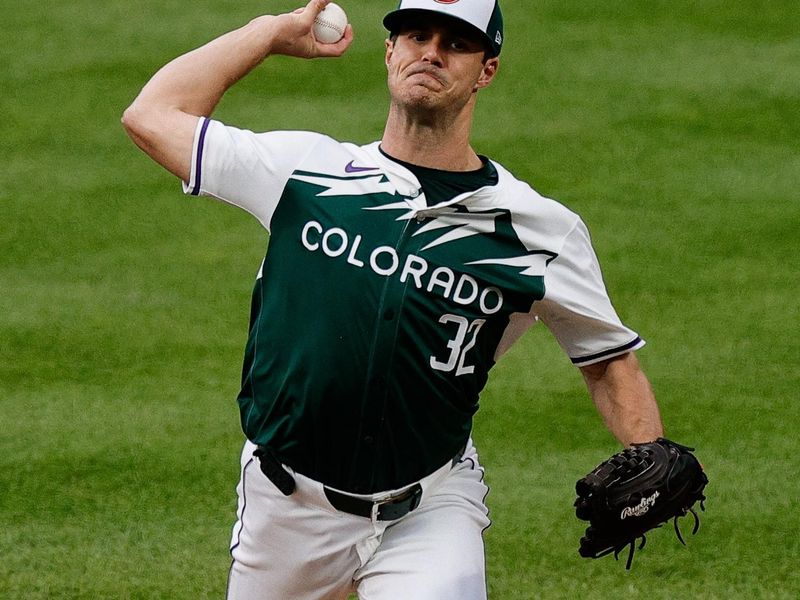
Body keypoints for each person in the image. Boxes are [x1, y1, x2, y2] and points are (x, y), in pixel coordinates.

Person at [122, 1, 664, 598]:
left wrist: (651, 453)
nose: (430, 52)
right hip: (284, 510)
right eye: (415, 34)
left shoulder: (539, 230)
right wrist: (270, 33)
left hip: (430, 507)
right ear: (390, 51)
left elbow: (608, 359)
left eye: (456, 43)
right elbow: (151, 115)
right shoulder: (304, 171)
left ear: (486, 70)